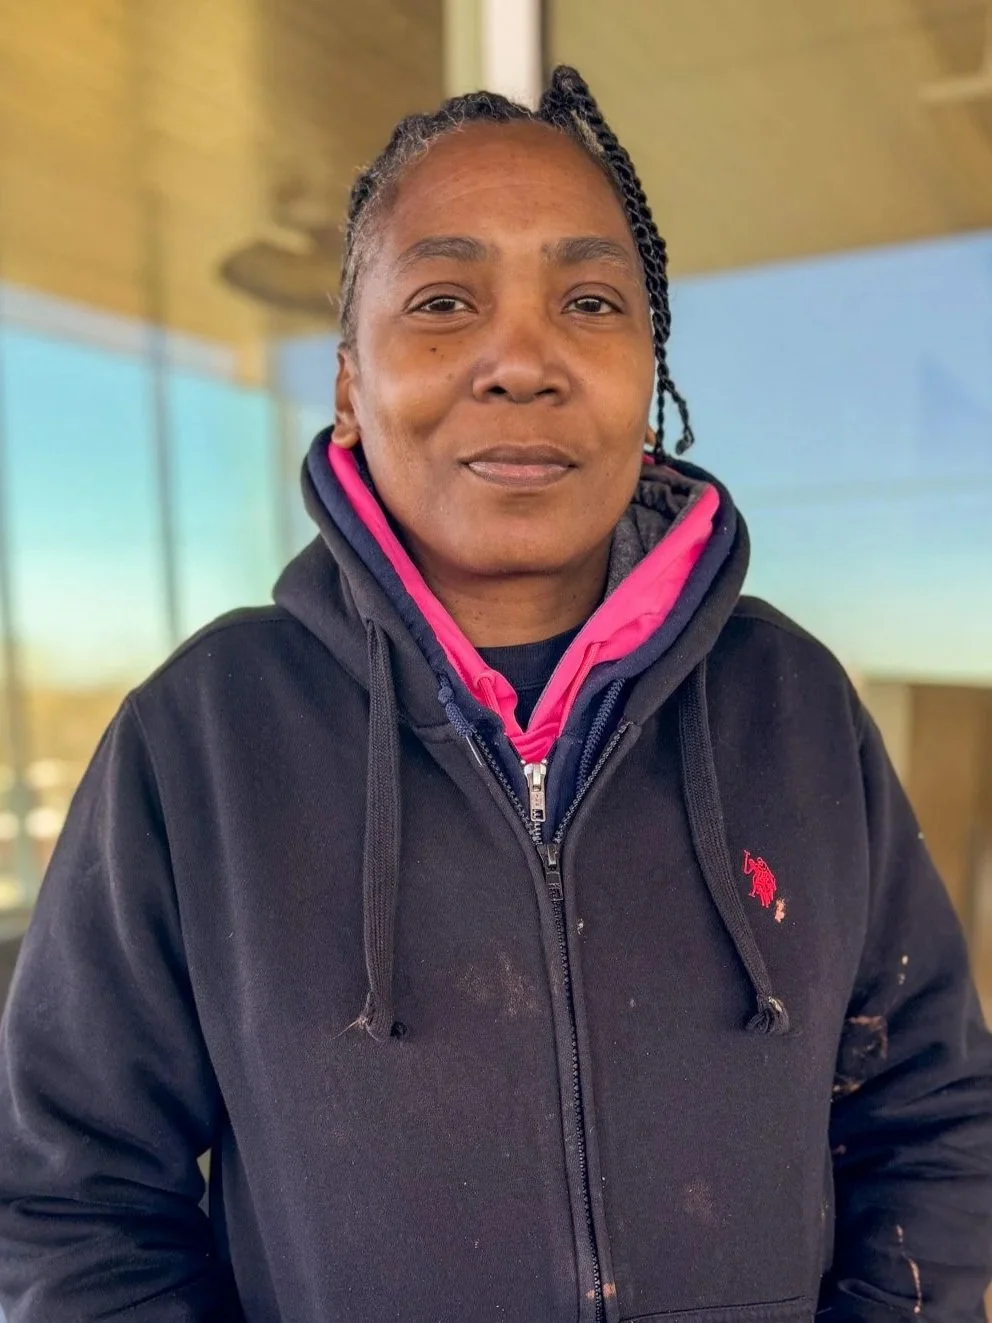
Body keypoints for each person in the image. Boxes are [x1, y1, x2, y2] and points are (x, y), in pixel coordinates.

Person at [0, 65, 990, 1323]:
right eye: (443, 299)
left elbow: (934, 1118)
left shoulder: (791, 708)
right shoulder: (198, 740)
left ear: (648, 373)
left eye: (587, 299)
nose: (521, 360)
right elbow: (67, 1202)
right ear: (350, 382)